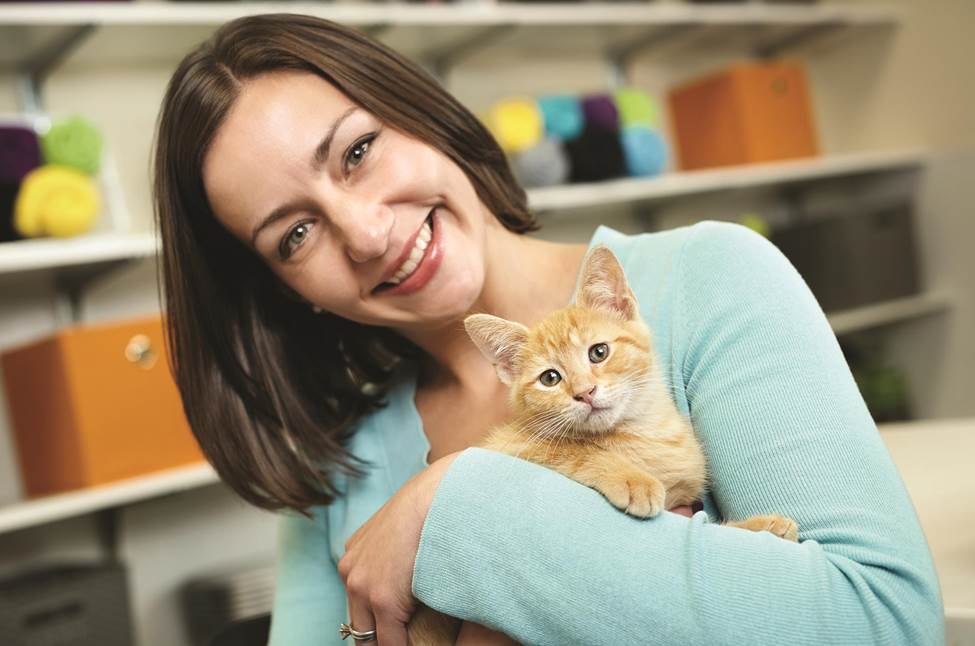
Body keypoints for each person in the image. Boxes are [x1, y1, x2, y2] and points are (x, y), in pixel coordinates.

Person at [151, 13, 944, 646]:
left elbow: (879, 623)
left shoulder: (714, 279)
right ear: (286, 292)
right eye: (293, 236)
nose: (364, 234)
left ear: (420, 114)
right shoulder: (336, 463)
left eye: (357, 151)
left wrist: (461, 501)